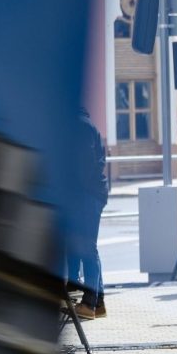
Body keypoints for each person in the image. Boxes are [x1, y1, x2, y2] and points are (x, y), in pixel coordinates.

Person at [69, 107, 108, 319]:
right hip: (89, 193)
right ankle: (98, 303)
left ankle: (89, 303)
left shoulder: (80, 126)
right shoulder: (82, 124)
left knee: (87, 247)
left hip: (88, 194)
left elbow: (84, 166)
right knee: (86, 245)